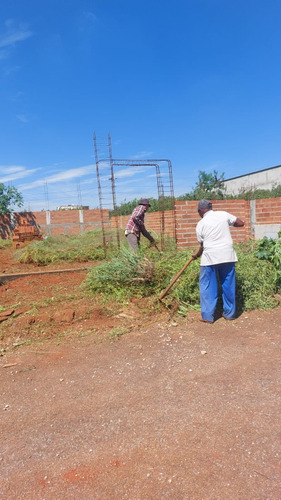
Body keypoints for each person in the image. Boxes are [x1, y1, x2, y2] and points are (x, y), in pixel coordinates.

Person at [192, 199, 244, 323]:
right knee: (228, 285)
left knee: (208, 286)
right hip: (227, 256)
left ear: (200, 211)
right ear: (211, 208)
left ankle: (207, 317)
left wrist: (198, 254)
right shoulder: (223, 214)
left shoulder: (201, 223)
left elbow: (203, 244)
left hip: (210, 258)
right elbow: (240, 223)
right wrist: (233, 224)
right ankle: (230, 314)